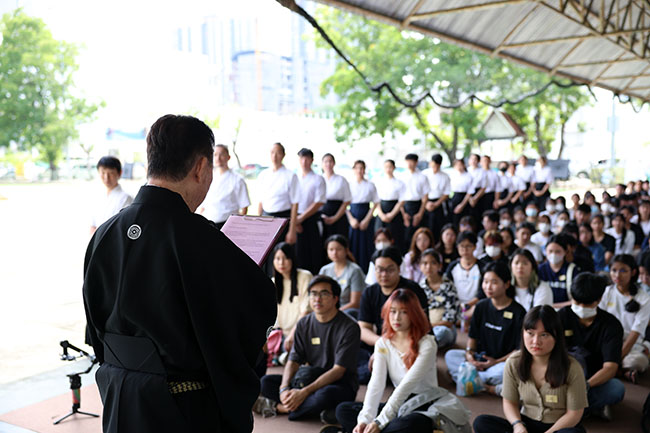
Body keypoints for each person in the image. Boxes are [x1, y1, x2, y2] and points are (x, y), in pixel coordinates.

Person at [83, 114, 277, 433]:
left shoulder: (104, 234)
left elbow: (95, 328)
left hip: (119, 397)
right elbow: (254, 309)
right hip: (183, 407)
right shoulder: (201, 238)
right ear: (200, 167)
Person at [256, 275, 360, 421]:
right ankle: (315, 411)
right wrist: (284, 389)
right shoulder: (304, 323)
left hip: (339, 383)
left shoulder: (350, 327)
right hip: (309, 378)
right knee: (266, 382)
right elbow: (293, 360)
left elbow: (338, 371)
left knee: (324, 396)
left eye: (324, 294)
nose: (317, 299)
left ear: (336, 298)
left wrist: (304, 393)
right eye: (313, 294)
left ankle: (280, 408)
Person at [335, 289, 438, 433]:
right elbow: (376, 384)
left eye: (404, 312)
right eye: (393, 311)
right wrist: (364, 420)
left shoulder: (427, 344)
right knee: (343, 410)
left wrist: (379, 422)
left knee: (410, 424)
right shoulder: (383, 343)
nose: (397, 318)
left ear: (414, 314)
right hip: (399, 405)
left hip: (423, 406)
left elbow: (406, 386)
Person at [473, 306, 587, 433]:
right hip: (526, 424)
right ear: (523, 333)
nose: (536, 341)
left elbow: (574, 414)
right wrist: (517, 425)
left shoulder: (572, 367)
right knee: (482, 423)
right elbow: (509, 402)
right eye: (530, 333)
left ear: (556, 336)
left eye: (544, 335)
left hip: (558, 427)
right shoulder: (514, 362)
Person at [444, 261, 526, 395]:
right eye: (485, 281)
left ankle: (468, 379)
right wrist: (470, 354)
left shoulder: (518, 312)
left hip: (501, 362)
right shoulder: (481, 306)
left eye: (494, 282)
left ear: (506, 284)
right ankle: (483, 383)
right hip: (479, 359)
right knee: (451, 355)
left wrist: (494, 362)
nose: (488, 286)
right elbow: (472, 338)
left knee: (512, 368)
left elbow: (519, 350)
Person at [558, 273, 625, 420]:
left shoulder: (611, 325)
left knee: (616, 389)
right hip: (561, 376)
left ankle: (568, 409)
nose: (581, 307)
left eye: (587, 304)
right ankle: (584, 410)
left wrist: (584, 386)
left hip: (592, 381)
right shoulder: (561, 317)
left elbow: (610, 368)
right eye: (577, 302)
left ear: (599, 300)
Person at [357, 246, 428, 384]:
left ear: (399, 269)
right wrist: (383, 345)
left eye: (389, 269)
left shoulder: (413, 290)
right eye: (379, 269)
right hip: (382, 340)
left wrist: (388, 348)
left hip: (409, 342)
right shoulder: (370, 292)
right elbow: (363, 328)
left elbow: (423, 327)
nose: (384, 274)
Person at [599, 254, 650, 383]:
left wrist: (616, 357)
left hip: (631, 344)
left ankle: (614, 369)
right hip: (609, 340)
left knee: (639, 362)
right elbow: (600, 323)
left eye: (623, 271)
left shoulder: (644, 298)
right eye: (614, 270)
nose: (617, 275)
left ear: (633, 272)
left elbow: (636, 332)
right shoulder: (607, 292)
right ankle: (622, 372)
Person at [257, 142, 299, 275]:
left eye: (278, 152)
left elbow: (295, 204)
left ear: (283, 155)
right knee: (265, 255)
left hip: (283, 219)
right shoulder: (263, 175)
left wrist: (292, 230)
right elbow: (260, 201)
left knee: (281, 254)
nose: (275, 156)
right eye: (272, 152)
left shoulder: (290, 175)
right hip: (266, 218)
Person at [272, 242, 313, 354]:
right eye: (277, 258)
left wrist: (292, 335)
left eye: (285, 258)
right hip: (280, 335)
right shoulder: (274, 282)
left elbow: (306, 311)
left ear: (292, 259)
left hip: (301, 332)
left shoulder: (305, 276)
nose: (281, 263)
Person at [198, 144, 249, 230]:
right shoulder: (207, 177)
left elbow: (244, 206)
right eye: (215, 155)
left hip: (229, 224)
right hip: (209, 223)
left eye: (221, 154)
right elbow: (203, 205)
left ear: (228, 157)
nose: (218, 158)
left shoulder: (237, 179)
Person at [419, 248, 460, 348]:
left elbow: (449, 321)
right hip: (425, 328)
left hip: (443, 328)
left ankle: (425, 346)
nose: (428, 267)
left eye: (433, 263)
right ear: (420, 266)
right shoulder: (420, 287)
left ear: (439, 266)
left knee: (442, 333)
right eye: (425, 263)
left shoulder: (449, 286)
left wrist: (429, 327)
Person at [295, 148, 326, 274]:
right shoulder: (295, 178)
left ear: (312, 160)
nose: (304, 161)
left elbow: (319, 202)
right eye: (302, 158)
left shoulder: (318, 179)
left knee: (313, 252)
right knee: (298, 253)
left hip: (311, 218)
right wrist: (295, 221)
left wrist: (301, 218)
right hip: (295, 219)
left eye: (307, 158)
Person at [319, 235, 366, 318]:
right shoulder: (324, 270)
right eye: (331, 250)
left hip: (347, 312)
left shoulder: (355, 270)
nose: (334, 253)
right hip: (327, 309)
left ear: (346, 250)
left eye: (338, 249)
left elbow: (355, 303)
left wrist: (334, 312)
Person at [347, 160, 379, 274]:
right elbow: (345, 205)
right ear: (353, 170)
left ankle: (367, 271)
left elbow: (375, 203)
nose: (360, 171)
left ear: (365, 170)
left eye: (362, 168)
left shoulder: (370, 185)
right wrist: (351, 219)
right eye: (357, 168)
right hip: (353, 216)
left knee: (367, 245)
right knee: (353, 244)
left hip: (366, 217)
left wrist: (366, 220)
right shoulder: (349, 185)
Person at [90, 155, 133, 235]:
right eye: (103, 173)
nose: (106, 177)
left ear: (120, 173)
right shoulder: (97, 196)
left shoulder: (126, 198)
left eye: (111, 173)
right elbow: (93, 225)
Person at [538, 235, 581, 309]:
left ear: (565, 252)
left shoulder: (572, 270)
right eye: (550, 251)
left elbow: (576, 299)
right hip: (543, 311)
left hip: (566, 311)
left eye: (557, 251)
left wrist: (554, 306)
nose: (553, 255)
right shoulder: (540, 269)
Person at [445, 231, 481, 312]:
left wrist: (469, 305)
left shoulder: (481, 267)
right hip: (455, 305)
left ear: (475, 247)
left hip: (477, 305)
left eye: (468, 246)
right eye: (462, 246)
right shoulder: (452, 267)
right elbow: (447, 287)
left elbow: (483, 292)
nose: (465, 249)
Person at [400, 154, 430, 249]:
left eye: (411, 161)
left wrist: (420, 214)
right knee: (404, 235)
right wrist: (403, 214)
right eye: (407, 161)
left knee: (418, 233)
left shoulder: (422, 177)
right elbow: (399, 197)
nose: (409, 164)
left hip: (418, 206)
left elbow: (425, 197)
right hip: (404, 206)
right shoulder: (402, 176)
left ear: (416, 162)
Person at [375, 159, 405, 253]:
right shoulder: (379, 182)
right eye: (386, 167)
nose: (388, 169)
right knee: (380, 236)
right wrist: (381, 215)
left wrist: (391, 214)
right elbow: (376, 201)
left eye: (390, 167)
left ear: (394, 168)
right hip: (382, 212)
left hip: (394, 213)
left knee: (395, 236)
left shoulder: (399, 183)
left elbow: (401, 201)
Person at [321, 153, 352, 241]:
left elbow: (347, 201)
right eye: (326, 161)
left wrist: (334, 218)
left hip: (339, 216)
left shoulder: (341, 180)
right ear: (322, 164)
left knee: (339, 241)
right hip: (323, 216)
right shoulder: (319, 179)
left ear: (334, 163)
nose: (328, 164)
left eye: (330, 161)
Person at [423, 153, 450, 241]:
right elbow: (421, 192)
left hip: (438, 203)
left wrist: (435, 204)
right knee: (426, 225)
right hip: (425, 202)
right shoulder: (424, 174)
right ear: (430, 163)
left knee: (439, 226)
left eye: (437, 166)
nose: (435, 168)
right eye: (434, 165)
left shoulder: (445, 176)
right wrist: (426, 203)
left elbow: (446, 194)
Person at [450, 158, 474, 226]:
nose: (459, 166)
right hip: (454, 198)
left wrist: (462, 205)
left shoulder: (468, 176)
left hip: (464, 199)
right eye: (456, 165)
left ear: (463, 165)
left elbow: (469, 192)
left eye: (460, 164)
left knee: (465, 220)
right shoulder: (453, 175)